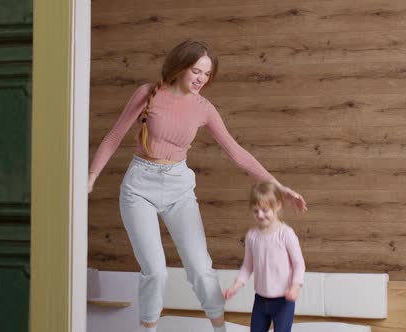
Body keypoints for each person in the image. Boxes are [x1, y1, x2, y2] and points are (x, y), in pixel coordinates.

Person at [88, 39, 307, 332]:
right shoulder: (147, 93)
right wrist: (89, 179)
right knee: (155, 271)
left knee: (201, 269)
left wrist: (279, 187)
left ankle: (219, 329)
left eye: (207, 74)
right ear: (180, 66)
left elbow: (238, 153)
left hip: (179, 187)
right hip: (139, 186)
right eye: (196, 71)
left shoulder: (204, 109)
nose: (201, 79)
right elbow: (114, 137)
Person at [223, 182, 306, 332]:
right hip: (261, 300)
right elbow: (248, 266)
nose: (260, 215)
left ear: (278, 206)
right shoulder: (252, 236)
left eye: (265, 210)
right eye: (255, 211)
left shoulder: (285, 234)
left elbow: (299, 264)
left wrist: (295, 286)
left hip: (283, 301)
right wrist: (235, 286)